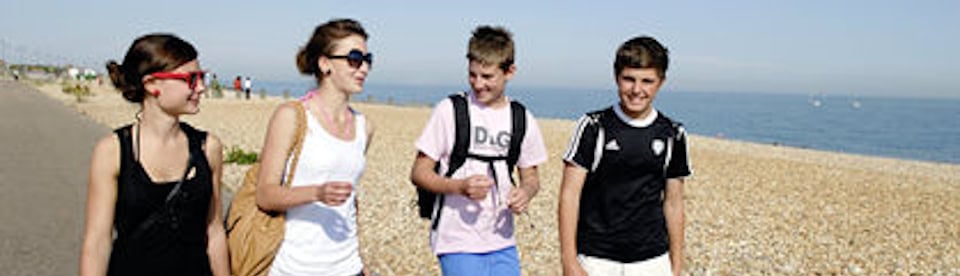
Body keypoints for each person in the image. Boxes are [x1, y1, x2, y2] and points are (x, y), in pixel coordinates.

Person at [80, 33, 229, 276]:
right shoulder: (113, 150)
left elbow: (214, 231)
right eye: (190, 79)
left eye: (202, 77)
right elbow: (97, 242)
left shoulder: (208, 147)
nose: (201, 88)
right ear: (152, 84)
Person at [410, 25, 547, 275]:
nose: (478, 84)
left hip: (503, 241)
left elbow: (531, 177)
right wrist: (459, 187)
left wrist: (525, 193)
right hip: (456, 242)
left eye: (487, 77)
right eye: (472, 75)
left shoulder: (521, 117)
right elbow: (419, 172)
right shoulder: (449, 110)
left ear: (510, 72)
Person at [558, 36, 691, 276]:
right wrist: (569, 261)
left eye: (647, 81)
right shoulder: (593, 126)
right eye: (629, 79)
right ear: (616, 77)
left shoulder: (673, 134)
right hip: (596, 257)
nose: (637, 90)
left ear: (661, 82)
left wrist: (677, 264)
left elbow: (674, 203)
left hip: (652, 259)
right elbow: (569, 194)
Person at [254, 18, 375, 276]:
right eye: (354, 58)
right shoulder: (291, 116)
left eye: (367, 59)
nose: (363, 68)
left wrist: (360, 262)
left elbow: (349, 201)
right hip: (294, 267)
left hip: (348, 266)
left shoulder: (365, 126)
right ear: (325, 64)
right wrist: (317, 192)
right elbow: (265, 195)